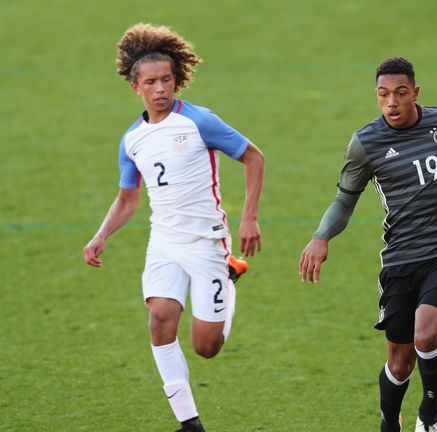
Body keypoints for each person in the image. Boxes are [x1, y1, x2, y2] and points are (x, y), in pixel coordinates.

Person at [82, 23, 265, 432]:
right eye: (151, 82)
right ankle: (189, 423)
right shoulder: (131, 140)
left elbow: (254, 157)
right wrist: (100, 235)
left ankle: (229, 276)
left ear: (176, 78)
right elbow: (128, 199)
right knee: (160, 320)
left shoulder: (199, 121)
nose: (160, 88)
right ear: (136, 88)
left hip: (207, 243)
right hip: (164, 241)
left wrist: (249, 217)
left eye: (167, 79)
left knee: (206, 348)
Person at [299, 56, 437, 432]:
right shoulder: (366, 144)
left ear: (415, 93)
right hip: (401, 259)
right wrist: (320, 236)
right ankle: (390, 422)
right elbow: (344, 200)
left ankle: (430, 415)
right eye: (383, 94)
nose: (392, 102)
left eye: (400, 93)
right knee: (400, 361)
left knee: (427, 333)